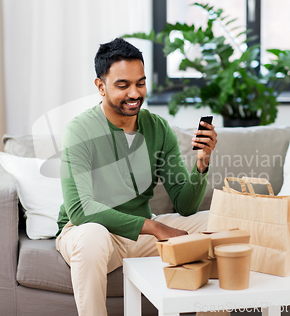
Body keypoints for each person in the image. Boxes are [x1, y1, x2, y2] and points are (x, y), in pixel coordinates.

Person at [55, 37, 218, 316]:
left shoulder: (157, 128)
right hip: (91, 232)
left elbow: (186, 206)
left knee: (220, 221)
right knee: (92, 236)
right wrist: (155, 228)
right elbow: (81, 210)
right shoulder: (80, 130)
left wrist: (202, 163)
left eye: (140, 83)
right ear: (100, 86)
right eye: (123, 85)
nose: (134, 93)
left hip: (139, 236)